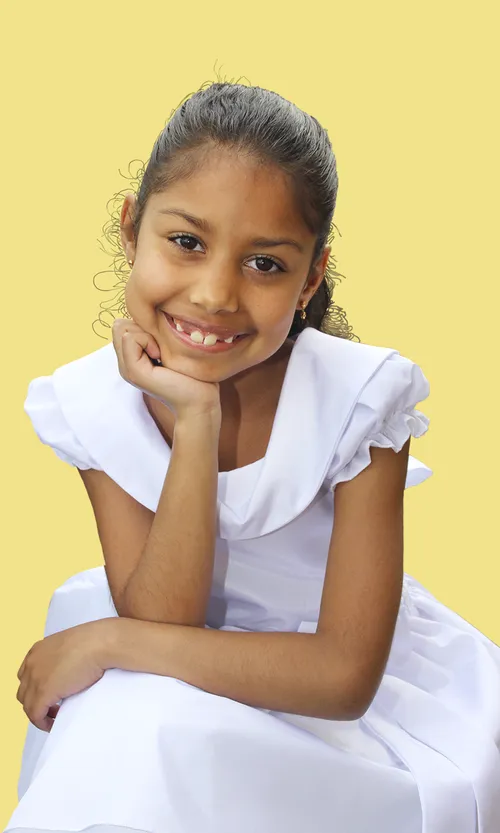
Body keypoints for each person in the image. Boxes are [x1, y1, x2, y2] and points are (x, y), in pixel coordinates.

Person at [6, 81, 500, 833]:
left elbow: (342, 678)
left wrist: (106, 640)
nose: (213, 293)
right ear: (131, 227)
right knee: (130, 722)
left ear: (311, 277)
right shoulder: (91, 401)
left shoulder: (361, 401)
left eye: (265, 265)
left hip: (346, 702)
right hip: (176, 666)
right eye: (187, 242)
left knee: (135, 719)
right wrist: (196, 419)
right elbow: (169, 614)